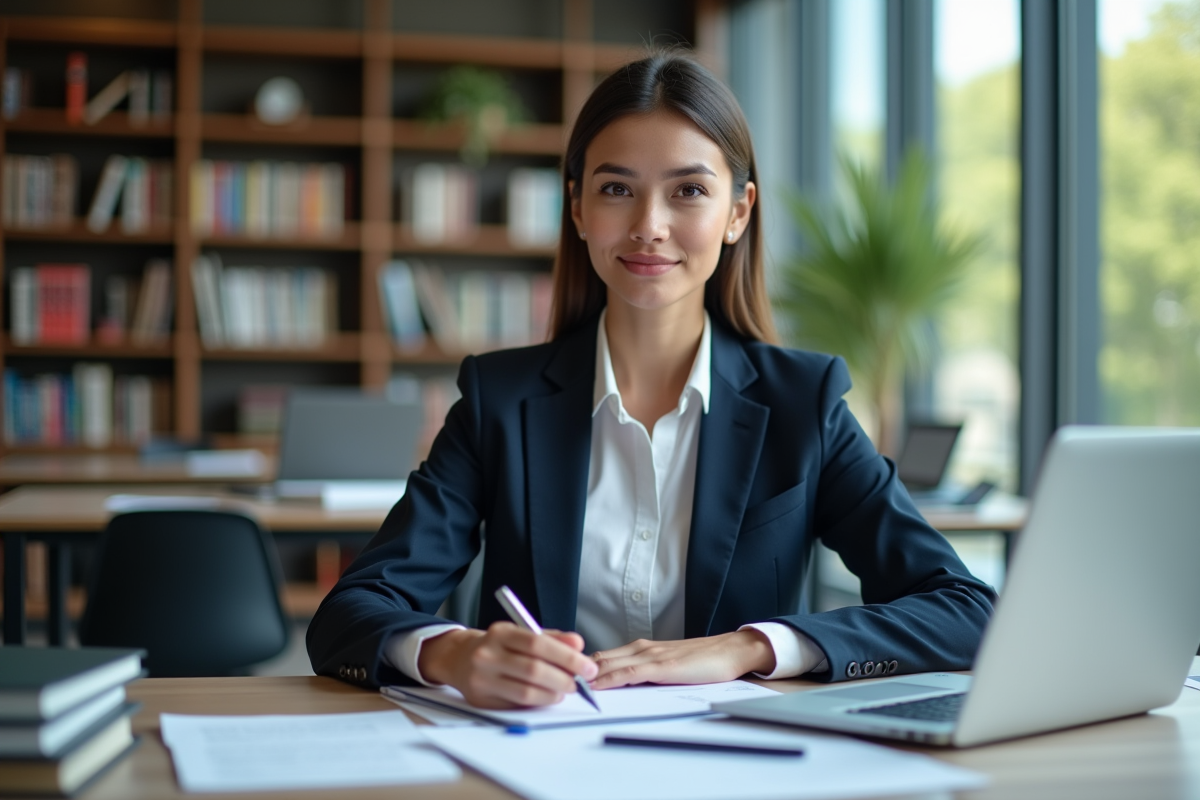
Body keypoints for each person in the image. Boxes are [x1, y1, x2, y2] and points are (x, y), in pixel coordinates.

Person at [306, 51, 996, 709]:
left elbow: (965, 610)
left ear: (738, 212)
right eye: (616, 190)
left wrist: (749, 648)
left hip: (737, 765)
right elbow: (350, 614)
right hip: (534, 759)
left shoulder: (802, 405)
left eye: (689, 190)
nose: (649, 227)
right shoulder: (500, 401)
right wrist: (453, 654)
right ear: (577, 208)